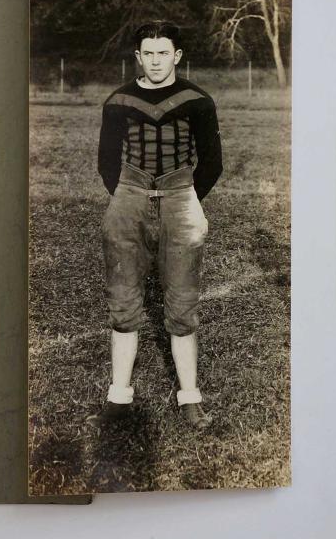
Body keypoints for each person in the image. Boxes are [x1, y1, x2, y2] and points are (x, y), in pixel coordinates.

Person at [94, 21, 223, 429]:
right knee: (124, 301)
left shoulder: (197, 100)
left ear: (177, 56)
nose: (155, 60)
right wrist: (129, 197)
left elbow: (212, 163)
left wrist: (184, 199)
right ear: (137, 57)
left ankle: (189, 397)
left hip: (180, 197)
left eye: (162, 53)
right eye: (147, 53)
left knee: (182, 304)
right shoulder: (118, 101)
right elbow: (106, 161)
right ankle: (119, 396)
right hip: (129, 197)